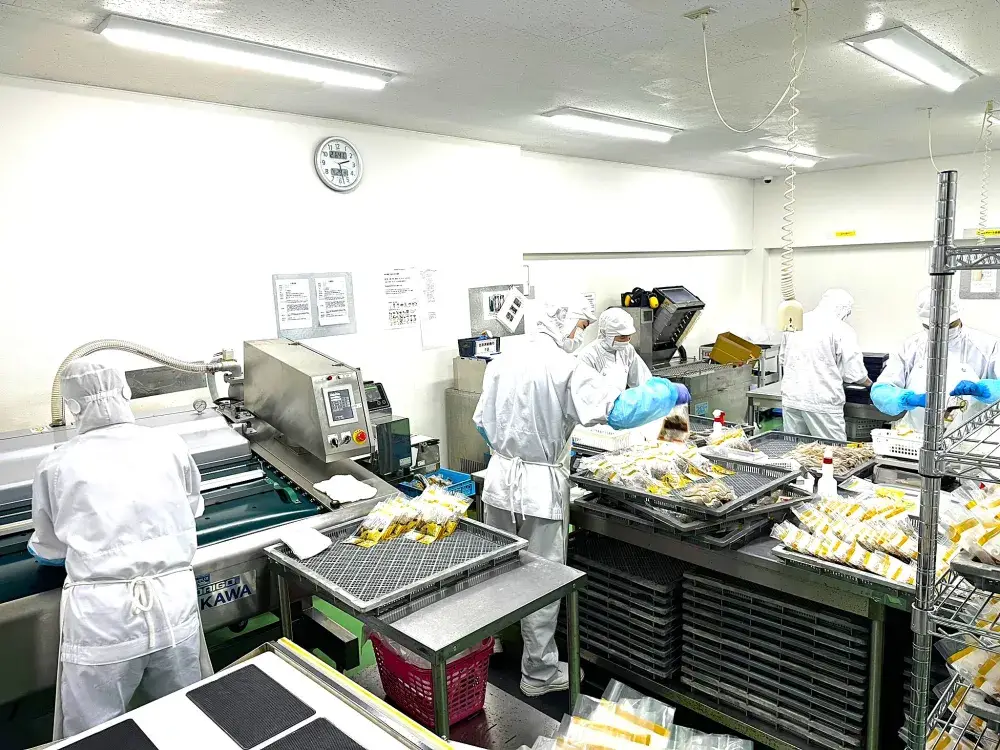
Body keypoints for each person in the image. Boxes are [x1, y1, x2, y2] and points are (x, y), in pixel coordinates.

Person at [473, 296, 689, 697]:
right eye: (579, 326)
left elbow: (481, 424)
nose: (578, 335)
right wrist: (666, 394)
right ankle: (538, 674)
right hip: (539, 489)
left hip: (499, 483)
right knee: (541, 581)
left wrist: (513, 448)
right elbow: (619, 411)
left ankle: (491, 649)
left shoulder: (501, 362)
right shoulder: (564, 367)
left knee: (499, 572)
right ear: (561, 322)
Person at [28, 360, 212, 739]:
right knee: (185, 715)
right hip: (173, 604)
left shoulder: (57, 464)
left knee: (93, 734)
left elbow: (50, 549)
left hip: (103, 619)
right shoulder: (169, 444)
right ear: (126, 392)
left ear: (72, 407)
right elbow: (193, 506)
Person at [871, 288, 1000, 432]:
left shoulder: (987, 346)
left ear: (958, 315)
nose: (941, 331)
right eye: (932, 327)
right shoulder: (911, 347)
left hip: (970, 439)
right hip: (916, 437)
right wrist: (908, 399)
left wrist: (982, 390)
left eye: (949, 326)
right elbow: (881, 392)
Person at [779, 289, 870, 441]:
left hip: (792, 399)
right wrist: (871, 384)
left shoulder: (796, 322)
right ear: (842, 309)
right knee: (833, 451)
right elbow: (853, 373)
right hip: (822, 402)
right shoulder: (842, 329)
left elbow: (783, 358)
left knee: (795, 450)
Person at [576, 307, 652, 391]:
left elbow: (642, 380)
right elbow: (585, 394)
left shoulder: (627, 350)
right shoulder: (588, 356)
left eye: (629, 336)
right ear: (605, 333)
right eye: (622, 337)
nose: (627, 340)